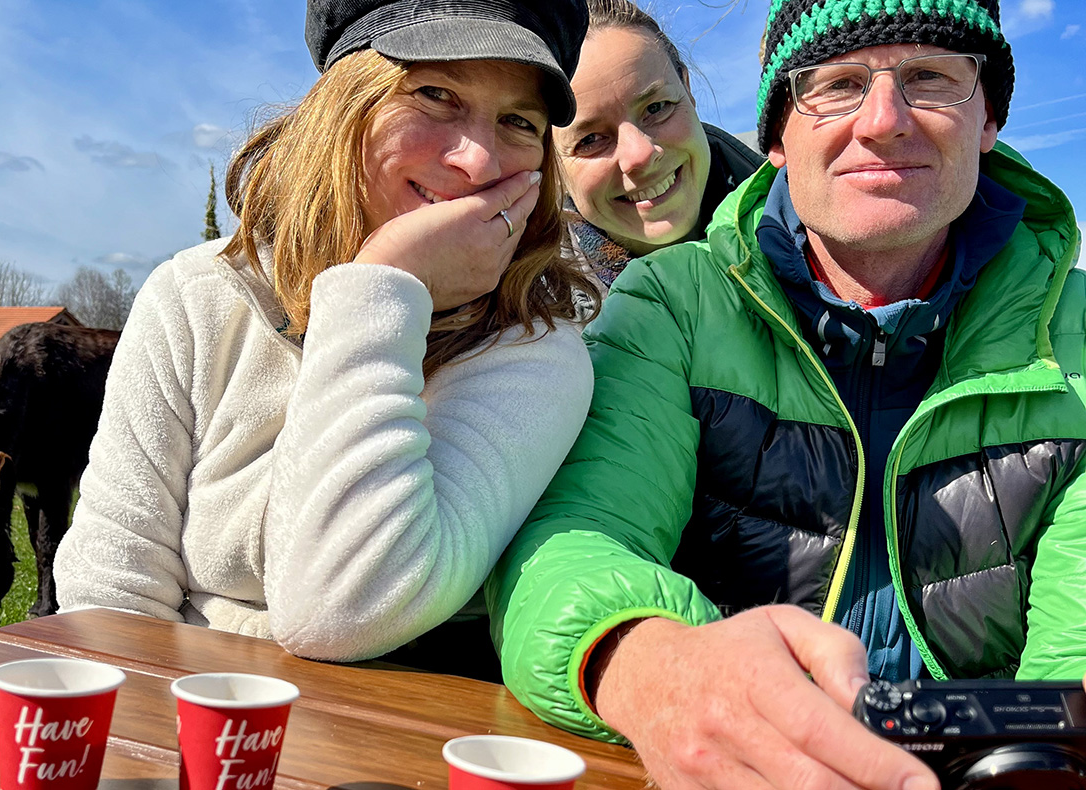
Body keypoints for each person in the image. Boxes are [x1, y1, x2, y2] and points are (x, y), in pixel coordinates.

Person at [487, 0, 1086, 787]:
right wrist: (648, 662)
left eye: (931, 77)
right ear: (776, 134)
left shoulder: (1076, 337)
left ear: (989, 120)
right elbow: (579, 533)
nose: (884, 120)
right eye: (836, 84)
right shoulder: (670, 307)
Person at [53, 0, 597, 672]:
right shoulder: (195, 296)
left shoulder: (534, 353)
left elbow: (342, 610)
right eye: (435, 94)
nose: (479, 161)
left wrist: (386, 281)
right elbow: (109, 592)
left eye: (519, 122)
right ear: (342, 107)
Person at [553, 0, 762, 295]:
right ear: (552, 167)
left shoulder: (802, 206)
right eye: (589, 140)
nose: (640, 154)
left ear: (687, 89)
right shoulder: (532, 316)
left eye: (657, 107)